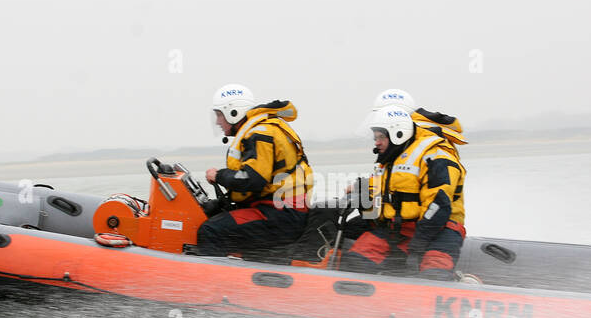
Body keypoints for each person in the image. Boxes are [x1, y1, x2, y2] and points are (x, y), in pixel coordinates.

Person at [341, 106, 465, 279]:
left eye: (380, 137)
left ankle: (462, 283)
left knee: (434, 275)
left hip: (440, 230)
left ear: (398, 134)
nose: (376, 142)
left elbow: (438, 205)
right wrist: (360, 191)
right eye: (375, 138)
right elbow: (387, 191)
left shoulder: (437, 157)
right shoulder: (393, 159)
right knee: (356, 262)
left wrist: (417, 247)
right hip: (401, 229)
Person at [192, 85, 314, 257]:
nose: (218, 121)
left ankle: (215, 282)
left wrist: (219, 175)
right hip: (280, 210)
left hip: (281, 214)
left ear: (233, 113)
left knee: (211, 231)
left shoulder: (259, 134)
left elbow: (253, 179)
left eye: (219, 115)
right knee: (216, 217)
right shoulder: (261, 129)